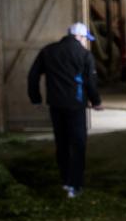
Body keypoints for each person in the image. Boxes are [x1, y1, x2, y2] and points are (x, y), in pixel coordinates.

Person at [28, 22, 103, 198]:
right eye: (86, 38)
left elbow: (32, 75)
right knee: (77, 144)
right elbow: (90, 82)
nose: (86, 42)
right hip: (76, 106)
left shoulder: (48, 51)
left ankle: (65, 180)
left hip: (56, 105)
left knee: (61, 142)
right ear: (80, 37)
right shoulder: (84, 54)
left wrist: (36, 99)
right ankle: (75, 185)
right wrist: (96, 101)